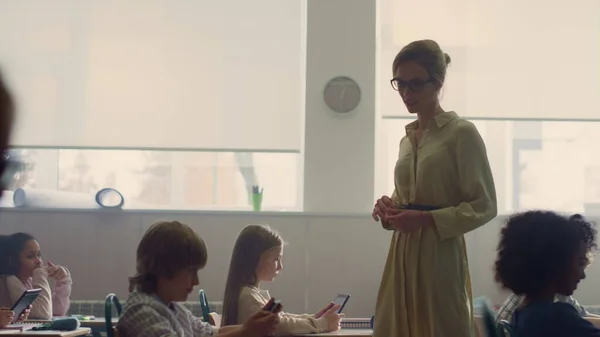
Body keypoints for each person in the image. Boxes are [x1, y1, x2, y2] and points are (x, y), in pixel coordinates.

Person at [371, 39, 497, 337]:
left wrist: (427, 219)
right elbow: (405, 199)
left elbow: (485, 205)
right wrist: (389, 208)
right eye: (399, 83)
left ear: (437, 83)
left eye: (415, 84)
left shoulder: (461, 133)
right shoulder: (407, 139)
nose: (405, 93)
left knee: (441, 326)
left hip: (440, 254)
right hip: (401, 252)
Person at [117, 221, 280, 337]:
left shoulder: (174, 309)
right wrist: (245, 332)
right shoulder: (142, 311)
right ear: (164, 267)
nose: (196, 281)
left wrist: (248, 328)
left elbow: (211, 333)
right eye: (190, 271)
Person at [221, 225, 343, 336]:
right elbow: (279, 325)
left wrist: (314, 318)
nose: (280, 266)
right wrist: (320, 324)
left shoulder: (253, 293)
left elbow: (281, 317)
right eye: (276, 259)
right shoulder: (248, 297)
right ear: (254, 259)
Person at [495, 211, 600, 336]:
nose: (582, 275)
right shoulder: (560, 316)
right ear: (557, 263)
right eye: (580, 263)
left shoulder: (520, 315)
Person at [0, 233, 71, 319]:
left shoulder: (28, 280)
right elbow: (44, 314)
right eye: (30, 256)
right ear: (12, 261)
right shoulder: (9, 280)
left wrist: (63, 280)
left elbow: (56, 311)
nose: (39, 261)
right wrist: (40, 274)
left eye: (38, 255)